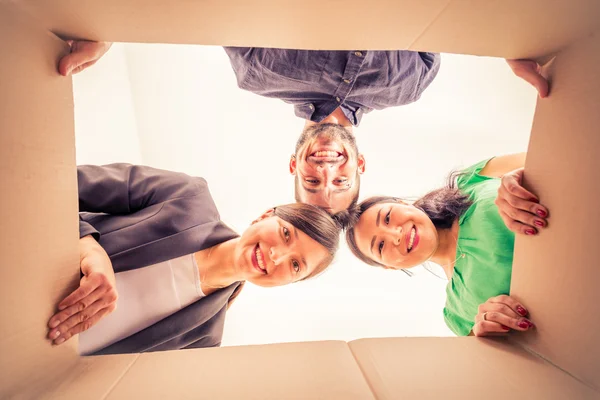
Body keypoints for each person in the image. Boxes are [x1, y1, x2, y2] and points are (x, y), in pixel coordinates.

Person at [57, 42, 549, 214]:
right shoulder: (409, 87)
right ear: (360, 164)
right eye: (341, 181)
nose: (326, 171)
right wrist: (510, 36)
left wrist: (112, 20)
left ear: (294, 164)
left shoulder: (255, 74)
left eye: (311, 182)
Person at [46, 164, 342, 355]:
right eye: (286, 234)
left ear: (291, 282)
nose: (277, 255)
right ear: (266, 215)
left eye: (295, 266)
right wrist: (88, 245)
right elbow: (61, 182)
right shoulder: (187, 196)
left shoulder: (205, 340)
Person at [345, 153, 550, 337]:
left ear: (403, 203)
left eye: (388, 217)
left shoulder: (472, 179)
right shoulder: (459, 315)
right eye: (380, 246)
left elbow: (551, 158)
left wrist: (521, 177)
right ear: (391, 266)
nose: (395, 234)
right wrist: (489, 333)